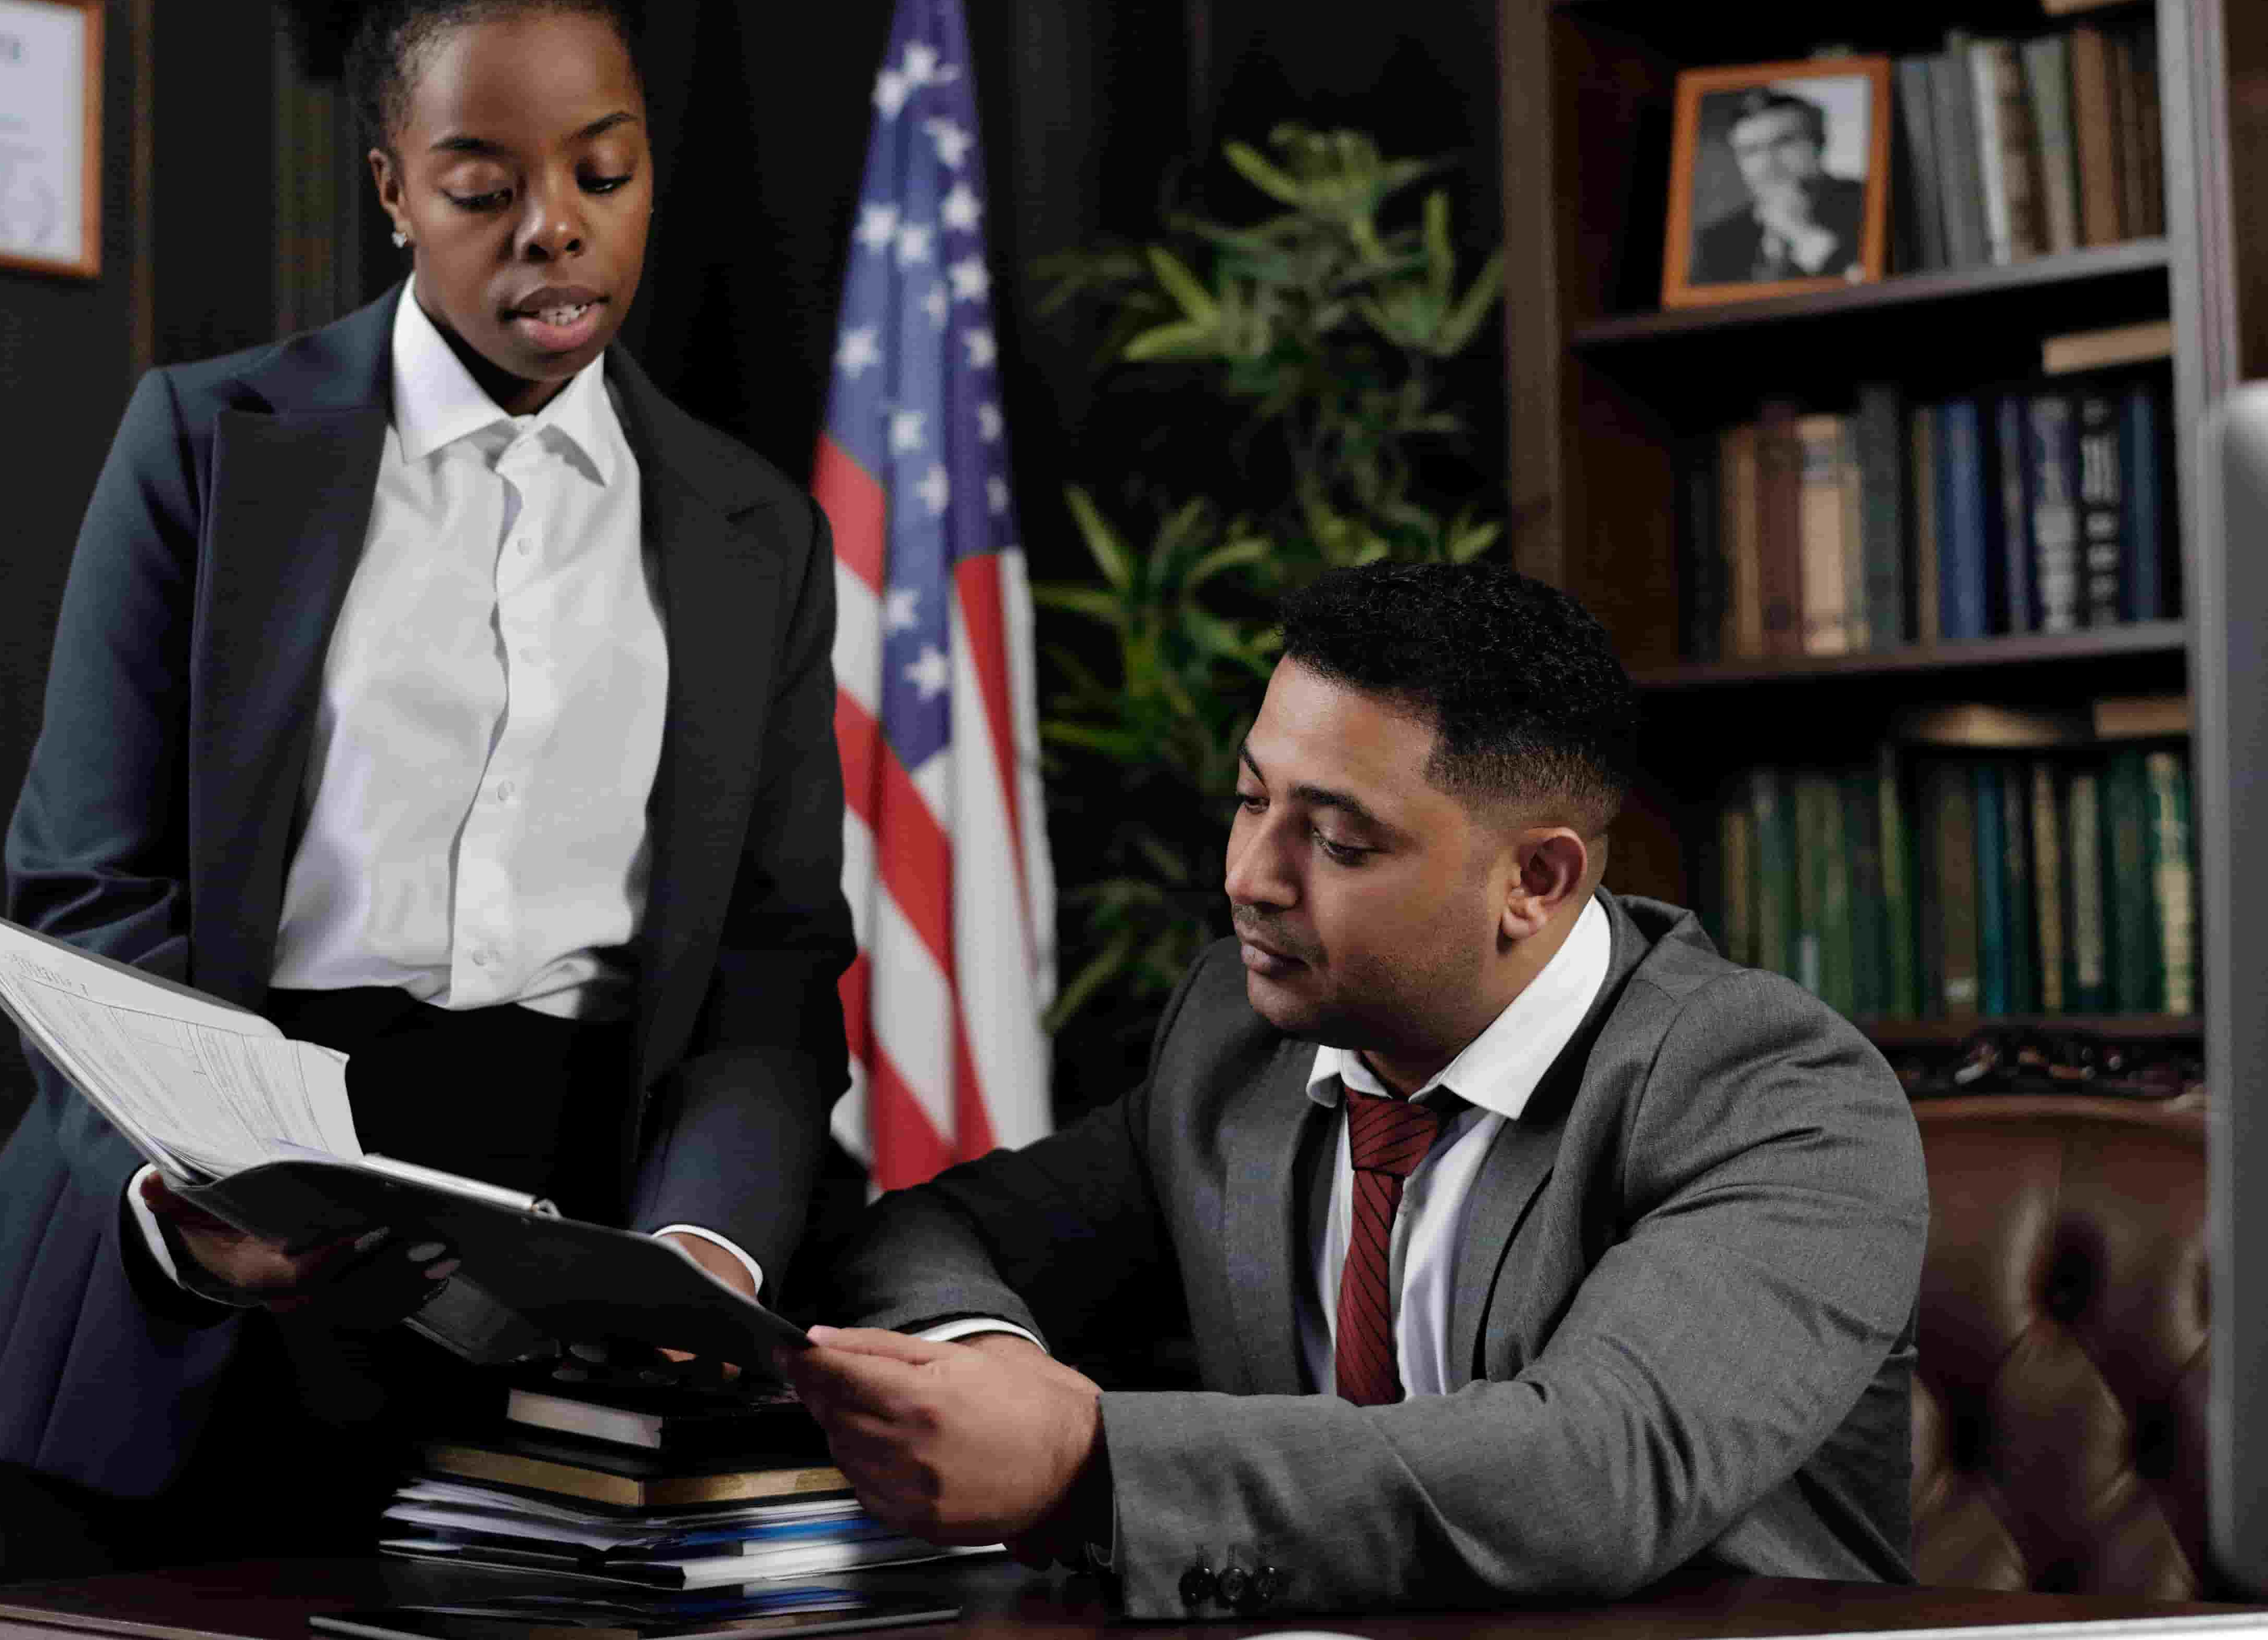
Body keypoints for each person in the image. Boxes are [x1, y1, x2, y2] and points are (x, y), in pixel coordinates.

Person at [0, 0, 852, 1560]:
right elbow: (87, 887)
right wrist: (189, 1187)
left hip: (574, 1274)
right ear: (396, 186)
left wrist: (704, 1253)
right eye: (485, 187)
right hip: (212, 1225)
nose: (556, 233)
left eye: (608, 174)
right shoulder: (202, 446)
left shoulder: (753, 532)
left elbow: (773, 967)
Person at [783, 561, 1927, 1617]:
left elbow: (1595, 1473)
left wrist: (1082, 1457)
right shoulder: (1236, 1038)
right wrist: (987, 1356)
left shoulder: (1779, 1097)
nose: (1247, 879)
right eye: (1248, 801)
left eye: (1334, 843)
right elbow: (939, 1230)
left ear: (1534, 878)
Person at [1690, 87, 1868, 283]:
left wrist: (1804, 235)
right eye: (1751, 151)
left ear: (1820, 143)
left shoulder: (1870, 203)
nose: (1768, 163)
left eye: (1784, 143)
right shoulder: (1718, 240)